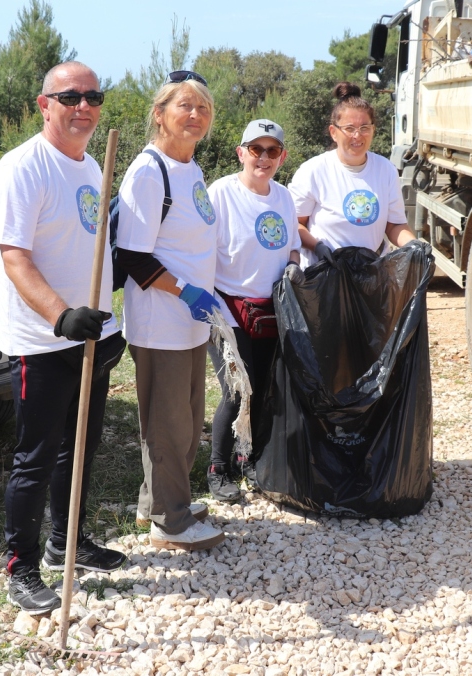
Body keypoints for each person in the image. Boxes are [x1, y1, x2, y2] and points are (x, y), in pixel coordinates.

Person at [0, 61, 127, 615]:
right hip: (43, 343)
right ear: (44, 104)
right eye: (70, 97)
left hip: (90, 338)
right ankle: (21, 568)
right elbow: (14, 258)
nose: (83, 106)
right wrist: (61, 316)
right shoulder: (22, 168)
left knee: (81, 450)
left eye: (93, 96)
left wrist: (105, 325)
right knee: (36, 458)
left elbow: (91, 255)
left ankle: (68, 541)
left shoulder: (93, 166)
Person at [114, 70, 226, 551]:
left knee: (185, 417)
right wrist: (187, 292)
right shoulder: (148, 171)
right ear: (160, 114)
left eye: (203, 107)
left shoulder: (193, 170)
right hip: (161, 322)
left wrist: (208, 295)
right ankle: (171, 521)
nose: (195, 115)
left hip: (191, 324)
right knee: (167, 423)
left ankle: (155, 501)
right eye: (185, 105)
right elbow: (135, 257)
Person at [205, 119, 301, 502]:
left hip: (271, 308)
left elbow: (292, 246)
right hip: (227, 306)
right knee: (237, 391)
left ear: (282, 157)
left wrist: (294, 265)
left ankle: (250, 459)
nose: (263, 158)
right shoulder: (221, 194)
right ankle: (217, 467)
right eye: (255, 150)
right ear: (240, 152)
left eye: (272, 150)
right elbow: (202, 252)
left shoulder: (283, 197)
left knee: (264, 389)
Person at [289, 82, 415, 267]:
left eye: (364, 128)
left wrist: (414, 245)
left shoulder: (385, 170)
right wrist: (317, 247)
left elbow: (394, 225)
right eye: (349, 128)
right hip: (325, 278)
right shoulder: (313, 171)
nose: (357, 135)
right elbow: (294, 225)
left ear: (373, 130)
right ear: (334, 132)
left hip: (372, 278)